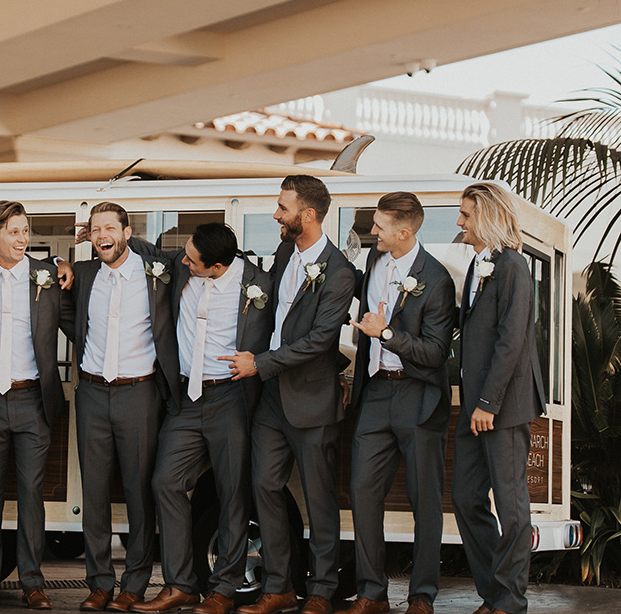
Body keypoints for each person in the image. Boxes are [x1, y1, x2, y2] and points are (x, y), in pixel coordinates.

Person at [126, 223, 274, 614]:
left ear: (218, 266)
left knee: (232, 494)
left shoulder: (259, 284)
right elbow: (152, 253)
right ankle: (180, 586)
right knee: (165, 482)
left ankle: (224, 589)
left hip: (232, 399)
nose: (183, 261)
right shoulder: (181, 267)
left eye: (192, 259)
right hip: (186, 399)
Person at [225, 175, 356, 614]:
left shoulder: (339, 272)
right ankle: (278, 586)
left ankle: (320, 590)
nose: (276, 214)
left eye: (283, 208)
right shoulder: (285, 251)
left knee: (319, 500)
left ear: (309, 215)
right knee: (264, 487)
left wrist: (259, 364)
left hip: (312, 400)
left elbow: (320, 341)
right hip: (271, 401)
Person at [59, 201, 182, 613]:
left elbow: (174, 255)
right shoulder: (85, 273)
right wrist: (62, 261)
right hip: (92, 393)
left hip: (140, 394)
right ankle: (98, 584)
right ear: (87, 235)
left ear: (128, 232)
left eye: (110, 228)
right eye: (95, 230)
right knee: (93, 493)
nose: (102, 236)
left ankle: (135, 584)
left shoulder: (155, 272)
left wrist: (120, 233)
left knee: (139, 492)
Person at [341, 192, 455, 614]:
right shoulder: (373, 262)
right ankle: (372, 593)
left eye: (380, 227)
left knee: (425, 500)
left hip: (418, 396)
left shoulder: (438, 280)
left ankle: (422, 595)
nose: (374, 232)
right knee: (362, 492)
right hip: (375, 394)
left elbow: (436, 353)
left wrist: (387, 334)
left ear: (404, 232)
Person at [0, 201, 64, 609]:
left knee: (31, 494)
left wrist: (59, 263)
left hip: (32, 399)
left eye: (25, 231)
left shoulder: (48, 276)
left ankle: (33, 582)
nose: (23, 239)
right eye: (14, 231)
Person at [453, 182, 545, 614]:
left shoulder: (513, 267)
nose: (460, 222)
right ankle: (495, 592)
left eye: (466, 215)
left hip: (501, 408)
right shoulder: (478, 265)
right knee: (465, 497)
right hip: (474, 404)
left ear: (487, 216)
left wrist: (488, 403)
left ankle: (509, 601)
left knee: (511, 507)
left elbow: (512, 341)